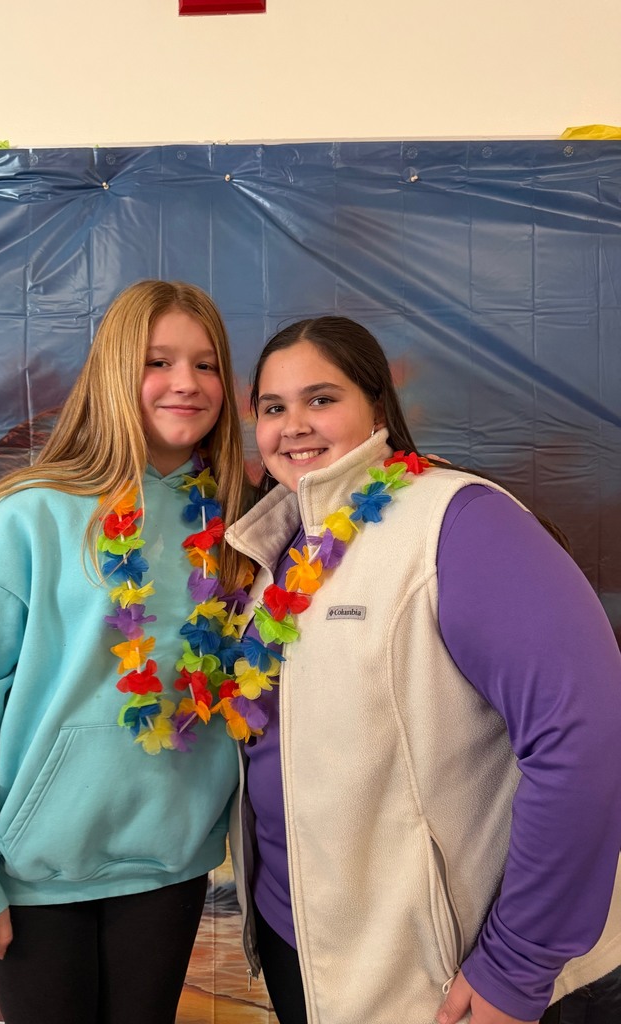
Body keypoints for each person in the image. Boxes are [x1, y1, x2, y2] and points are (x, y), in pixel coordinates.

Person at [220, 316, 621, 1024]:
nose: (293, 426)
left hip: (441, 976)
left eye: (321, 399)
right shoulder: (276, 550)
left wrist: (517, 962)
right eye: (273, 408)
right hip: (306, 946)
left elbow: (587, 741)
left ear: (378, 406)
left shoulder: (459, 522)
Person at [0, 279, 253, 1024]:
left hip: (170, 868)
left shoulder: (240, 526)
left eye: (207, 364)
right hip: (37, 879)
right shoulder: (28, 518)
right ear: (117, 372)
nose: (186, 383)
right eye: (159, 361)